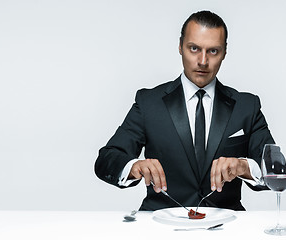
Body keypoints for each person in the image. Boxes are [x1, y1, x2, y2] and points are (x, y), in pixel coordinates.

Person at [94, 10, 275, 211]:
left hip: (226, 226)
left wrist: (244, 167)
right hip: (160, 224)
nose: (203, 61)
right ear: (180, 46)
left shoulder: (246, 106)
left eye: (213, 51)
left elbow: (277, 167)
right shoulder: (149, 103)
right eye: (194, 48)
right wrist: (134, 167)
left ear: (224, 52)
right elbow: (106, 160)